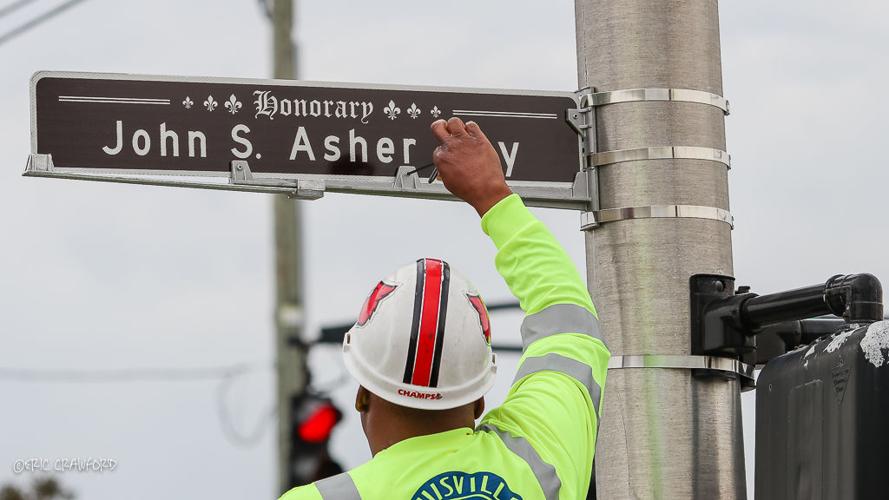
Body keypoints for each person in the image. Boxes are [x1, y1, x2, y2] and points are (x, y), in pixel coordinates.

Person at [280, 117, 610, 500]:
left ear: (362, 396)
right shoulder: (537, 460)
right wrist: (493, 196)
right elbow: (570, 324)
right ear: (478, 401)